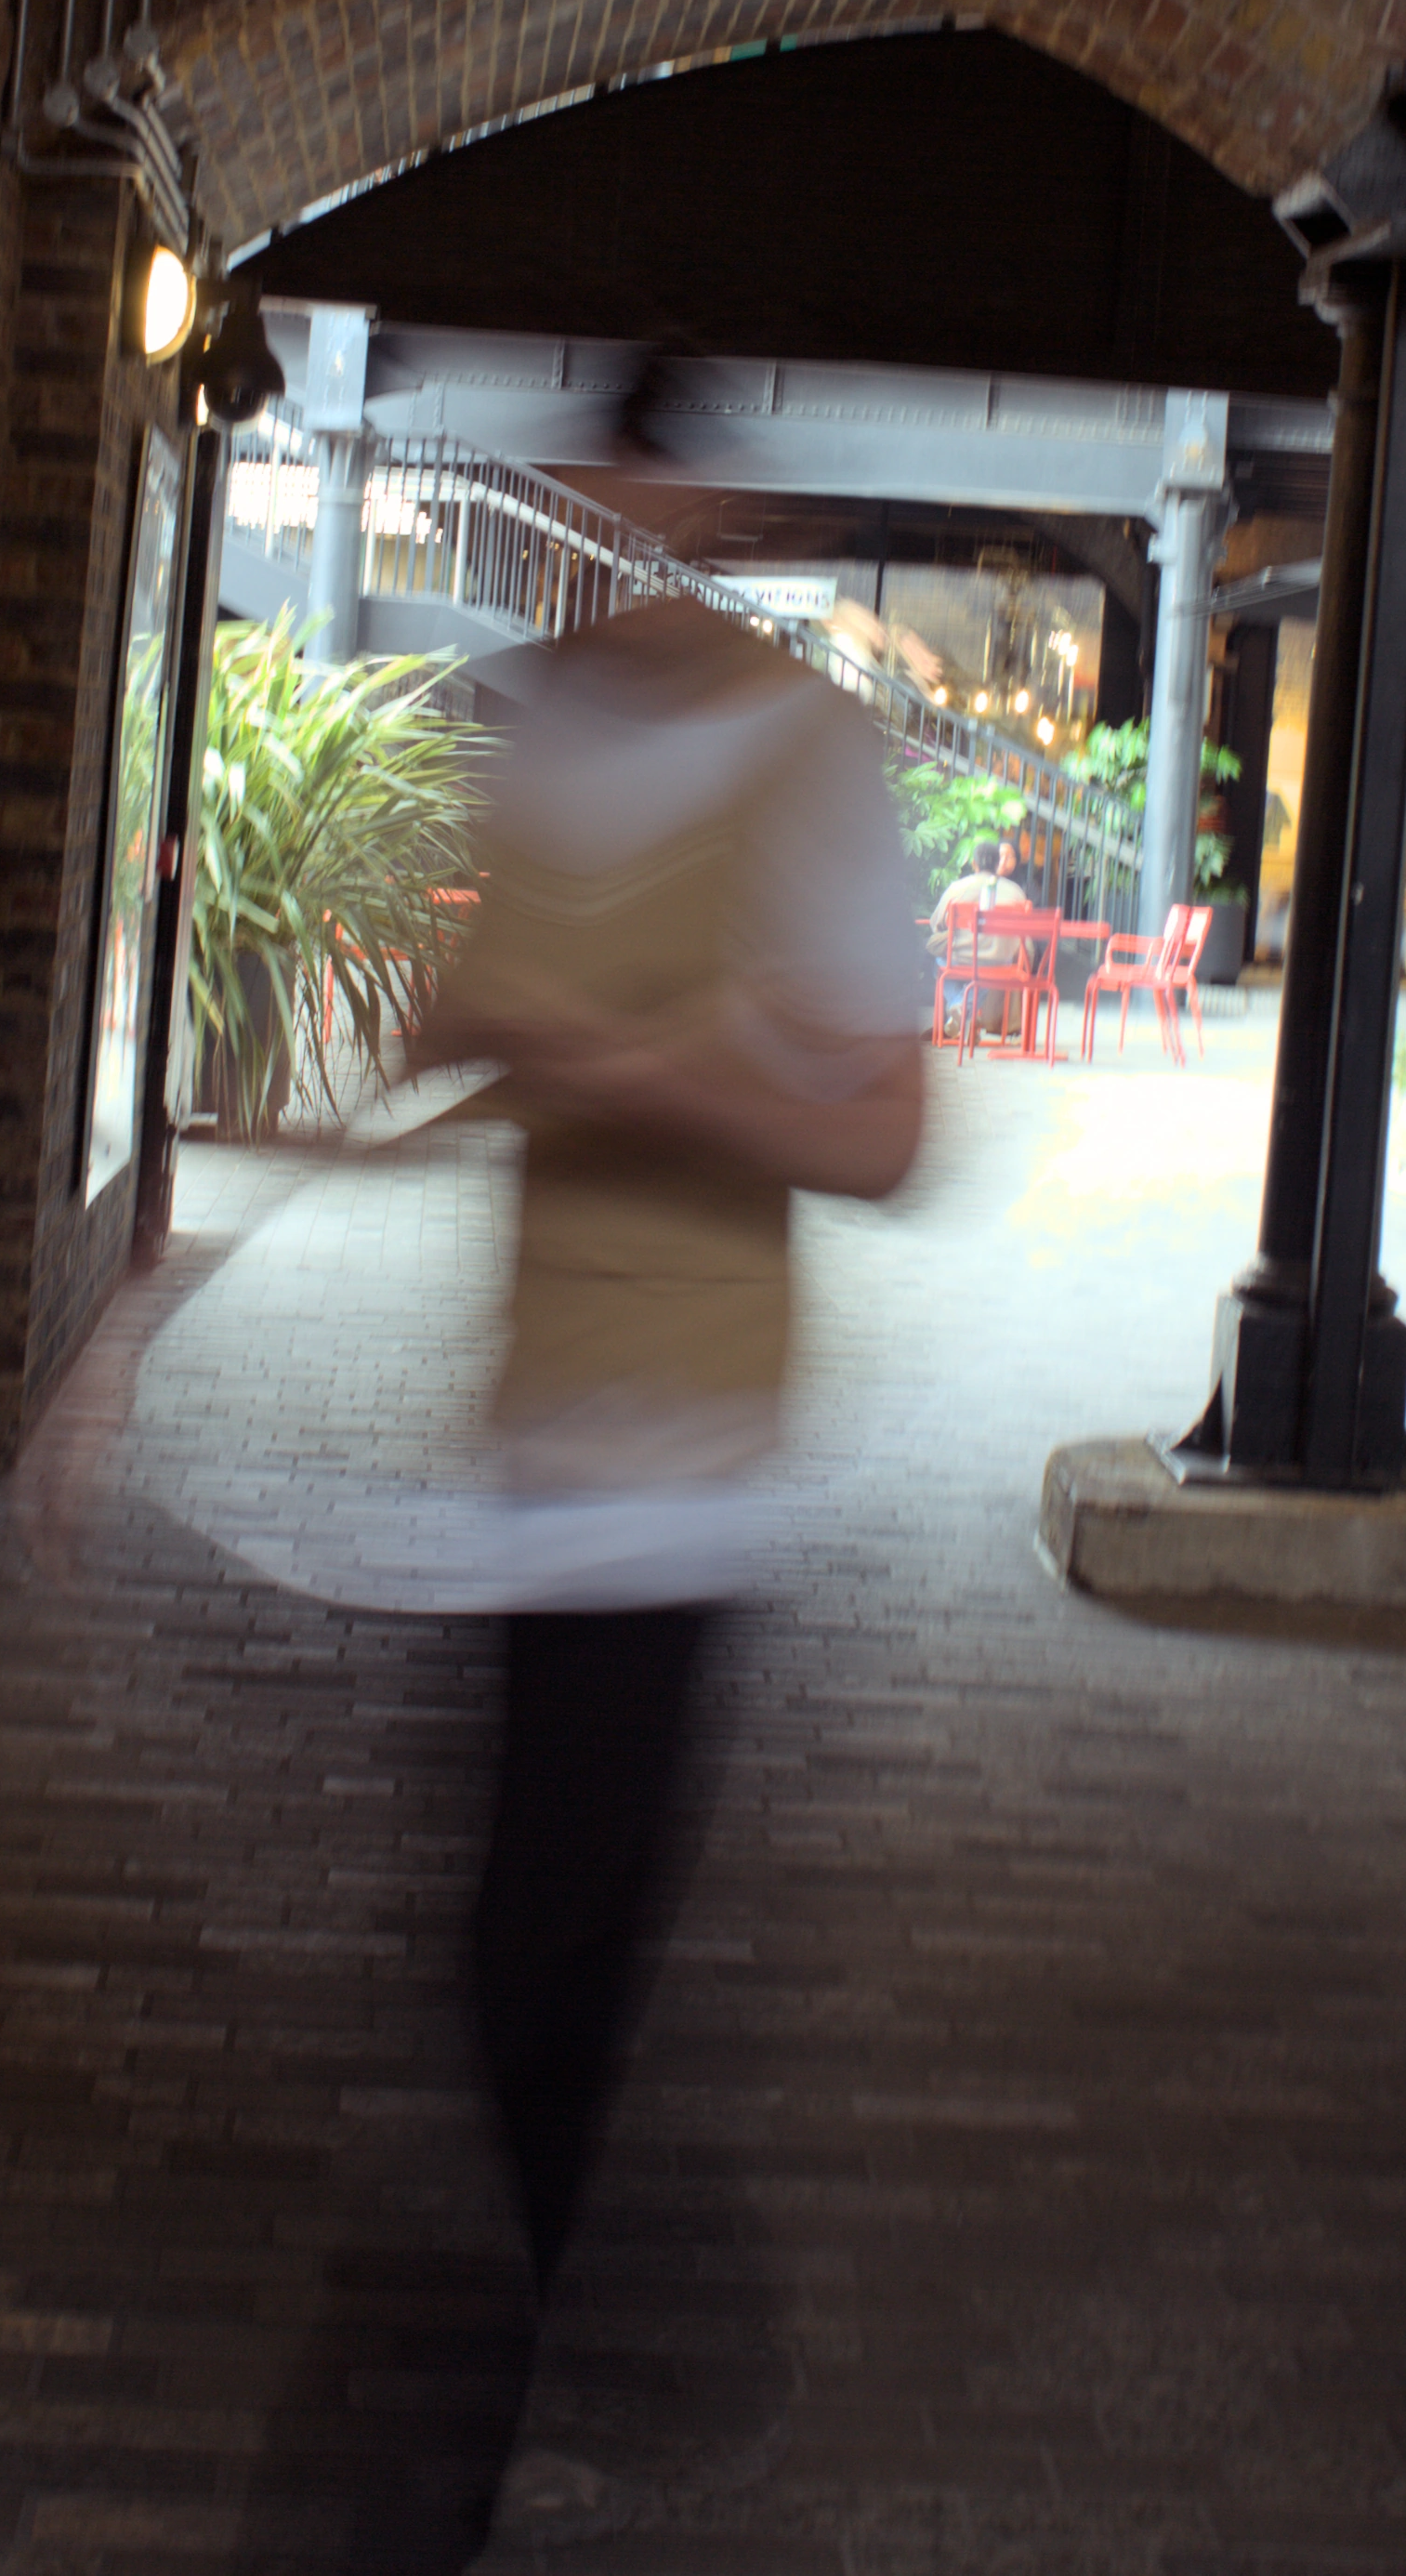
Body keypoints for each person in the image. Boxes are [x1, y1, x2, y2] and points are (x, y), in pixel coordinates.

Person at [424, 441, 925, 2549]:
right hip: (524, 1430)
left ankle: (525, 2403)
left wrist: (637, 1064)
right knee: (495, 1939)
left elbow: (882, 1138)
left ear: (692, 508)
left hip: (684, 1455)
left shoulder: (813, 763)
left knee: (546, 1949)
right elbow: (458, 1025)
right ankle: (514, 2337)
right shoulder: (527, 732)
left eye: (631, 505)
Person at [926, 832, 1029, 1039]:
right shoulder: (1016, 892)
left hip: (961, 957)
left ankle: (959, 1007)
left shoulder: (958, 887)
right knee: (983, 973)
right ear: (997, 863)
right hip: (1001, 961)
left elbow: (935, 923)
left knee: (939, 962)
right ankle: (966, 1016)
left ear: (974, 863)